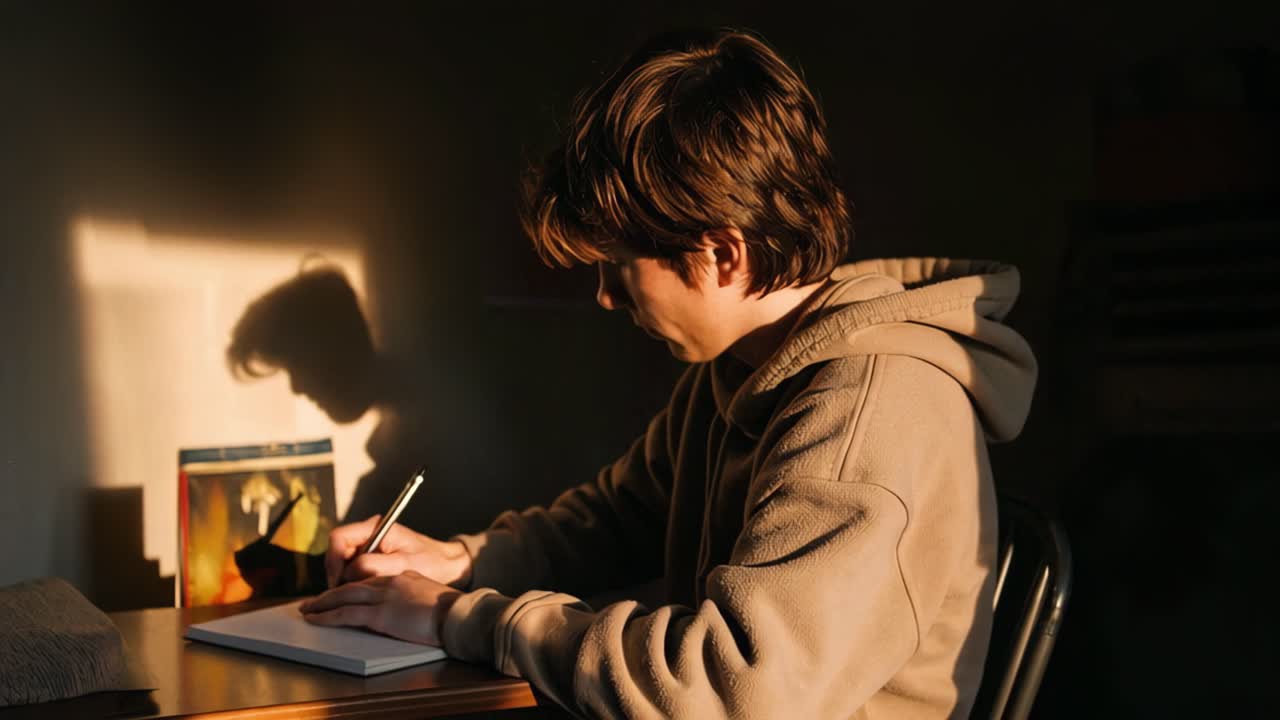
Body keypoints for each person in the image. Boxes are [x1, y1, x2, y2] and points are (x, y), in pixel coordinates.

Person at [299, 28, 1036, 718]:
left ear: (723, 254)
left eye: (620, 266)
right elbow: (622, 517)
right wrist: (460, 561)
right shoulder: (747, 370)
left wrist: (463, 618)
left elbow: (733, 686)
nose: (606, 297)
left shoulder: (869, 412)